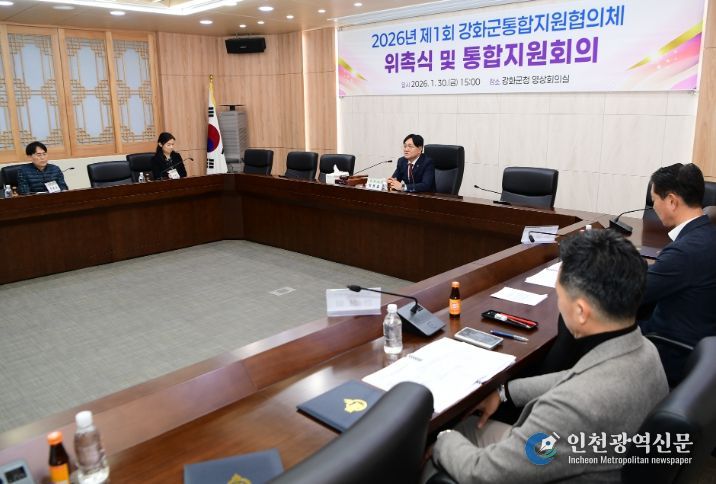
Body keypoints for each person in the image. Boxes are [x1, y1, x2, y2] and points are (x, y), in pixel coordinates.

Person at [425, 230, 668, 483]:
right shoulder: (644, 349)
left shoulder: (573, 407)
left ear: (581, 311)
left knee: (435, 455)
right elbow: (574, 377)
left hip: (557, 467)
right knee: (468, 429)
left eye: (559, 296)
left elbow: (483, 475)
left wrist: (442, 437)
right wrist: (504, 392)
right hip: (592, 456)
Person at [638, 163, 716, 385]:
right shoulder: (708, 234)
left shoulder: (684, 251)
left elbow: (634, 293)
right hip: (701, 345)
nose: (654, 206)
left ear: (672, 201)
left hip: (670, 351)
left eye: (654, 200)